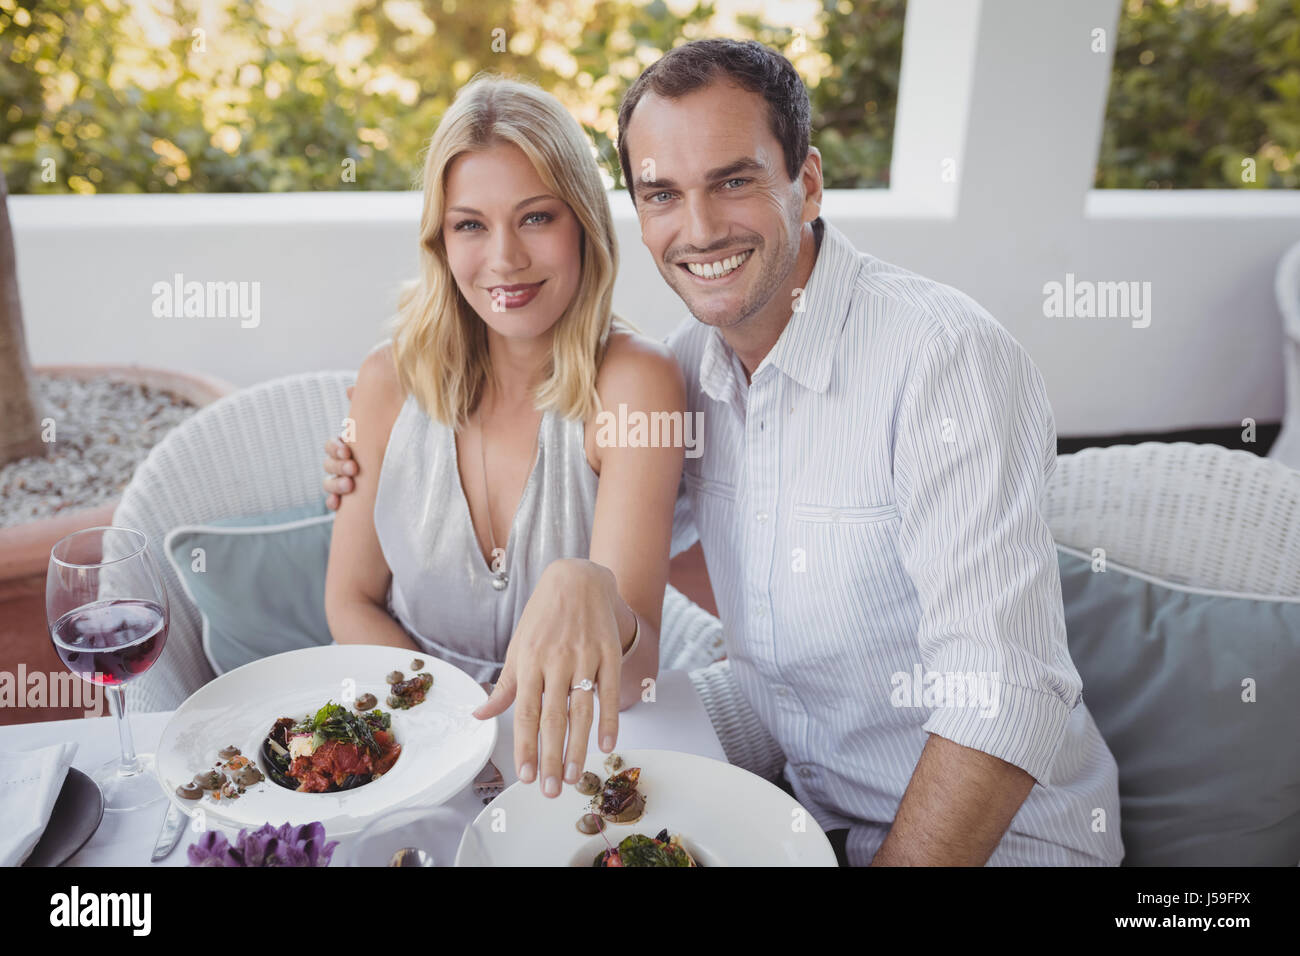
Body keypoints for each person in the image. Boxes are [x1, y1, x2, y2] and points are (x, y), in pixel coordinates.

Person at [325, 39, 1124, 867]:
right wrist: (368, 470)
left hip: (989, 842)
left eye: (734, 181)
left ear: (807, 181)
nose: (699, 229)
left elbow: (1005, 693)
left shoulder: (943, 362)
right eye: (664, 193)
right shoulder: (691, 369)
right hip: (797, 802)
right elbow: (657, 557)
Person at [324, 73, 686, 800]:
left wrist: (586, 588)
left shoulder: (635, 384)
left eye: (535, 218)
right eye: (470, 224)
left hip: (577, 750)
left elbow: (640, 669)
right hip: (415, 733)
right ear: (440, 239)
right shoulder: (387, 382)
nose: (504, 260)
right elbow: (350, 602)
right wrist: (460, 732)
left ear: (581, 222)